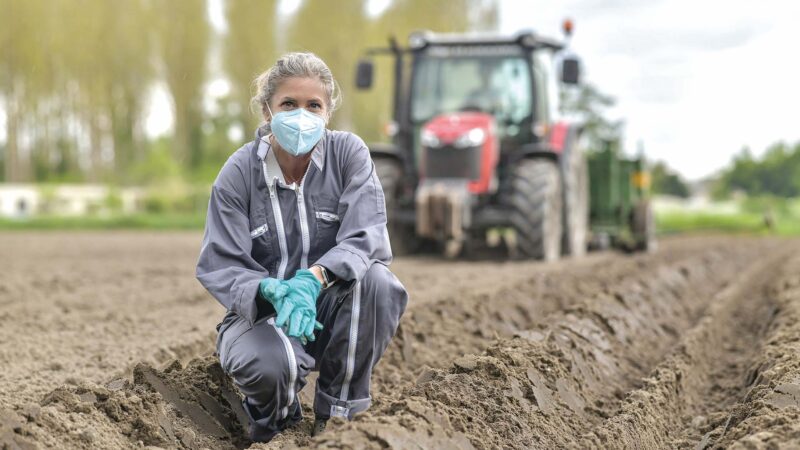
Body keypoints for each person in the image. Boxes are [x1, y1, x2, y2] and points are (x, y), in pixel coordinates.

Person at [195, 52, 408, 442]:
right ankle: (276, 422)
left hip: (329, 304)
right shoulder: (238, 173)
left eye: (314, 106)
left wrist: (314, 280)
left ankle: (339, 419)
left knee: (378, 283)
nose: (301, 115)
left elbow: (367, 235)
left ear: (327, 114)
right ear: (267, 111)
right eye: (288, 104)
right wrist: (267, 290)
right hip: (261, 315)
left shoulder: (348, 155)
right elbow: (219, 261)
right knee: (273, 368)